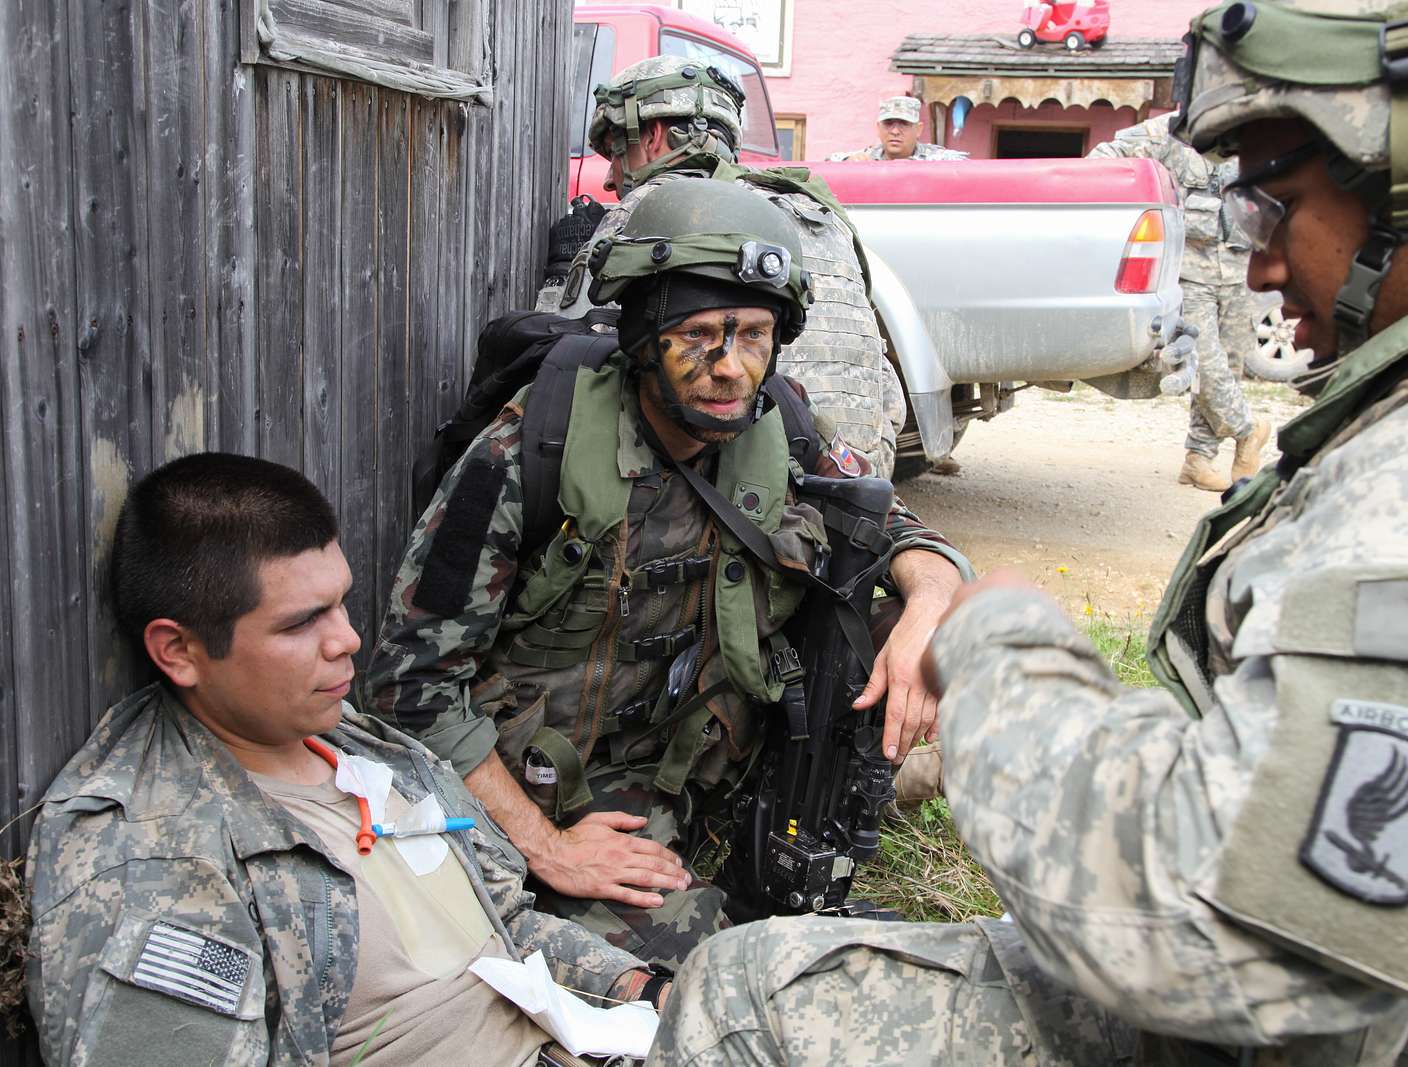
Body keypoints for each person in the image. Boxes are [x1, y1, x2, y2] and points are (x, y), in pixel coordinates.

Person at [647, 2, 1408, 1064]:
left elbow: (1229, 932)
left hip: (1332, 1015)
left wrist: (1003, 641)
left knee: (743, 996)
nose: (1263, 267)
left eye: (1277, 206)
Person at [366, 178, 970, 971]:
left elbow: (896, 527)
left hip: (722, 741)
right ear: (644, 336)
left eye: (753, 336)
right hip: (579, 787)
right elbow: (410, 687)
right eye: (699, 336)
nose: (729, 367)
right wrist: (547, 846)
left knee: (955, 634)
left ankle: (873, 777)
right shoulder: (528, 454)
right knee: (718, 977)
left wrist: (930, 600)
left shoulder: (778, 421)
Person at [25, 453, 663, 1066]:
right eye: (301, 623)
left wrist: (642, 990)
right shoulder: (157, 859)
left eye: (340, 602)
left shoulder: (360, 746)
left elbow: (507, 926)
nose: (349, 639)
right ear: (180, 651)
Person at [541, 55, 906, 480]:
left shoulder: (654, 210)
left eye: (614, 153)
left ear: (652, 135)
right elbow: (885, 386)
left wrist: (561, 272)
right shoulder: (823, 214)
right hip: (858, 476)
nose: (609, 177)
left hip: (749, 485)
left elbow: (566, 373)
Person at [1090, 114, 1272, 492]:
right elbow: (1105, 158)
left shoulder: (1255, 127)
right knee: (1206, 362)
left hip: (1243, 267)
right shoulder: (1169, 131)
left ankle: (1199, 458)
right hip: (1190, 271)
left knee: (1231, 364)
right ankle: (1247, 430)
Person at [826, 96, 969, 161]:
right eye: (888, 123)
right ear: (878, 128)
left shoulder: (937, 159)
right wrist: (849, 164)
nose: (895, 131)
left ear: (918, 130)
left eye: (904, 123)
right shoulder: (865, 159)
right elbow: (826, 165)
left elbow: (969, 168)